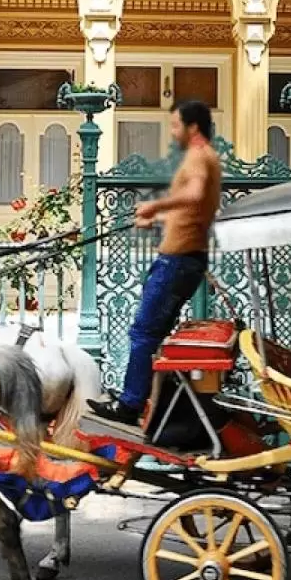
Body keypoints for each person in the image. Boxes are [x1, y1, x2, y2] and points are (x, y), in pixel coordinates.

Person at [88, 100, 222, 426]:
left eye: (176, 125)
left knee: (143, 332)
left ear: (192, 127)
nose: (172, 132)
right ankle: (143, 402)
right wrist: (159, 218)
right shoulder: (203, 157)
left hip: (177, 261)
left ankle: (130, 406)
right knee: (152, 334)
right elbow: (192, 209)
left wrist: (154, 205)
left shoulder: (199, 155)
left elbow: (194, 194)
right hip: (182, 259)